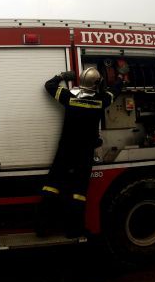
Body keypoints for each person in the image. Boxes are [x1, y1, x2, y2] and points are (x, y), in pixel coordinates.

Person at [37, 67, 125, 237]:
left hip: (65, 149)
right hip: (84, 153)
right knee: (78, 191)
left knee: (52, 185)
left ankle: (42, 227)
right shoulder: (101, 100)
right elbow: (115, 91)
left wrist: (62, 76)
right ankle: (73, 230)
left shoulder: (69, 98)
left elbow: (49, 86)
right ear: (97, 83)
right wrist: (120, 77)